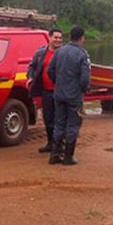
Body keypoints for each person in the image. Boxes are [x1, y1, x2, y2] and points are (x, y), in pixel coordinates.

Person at [47, 26, 91, 165]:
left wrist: (57, 82)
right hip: (74, 96)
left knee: (59, 123)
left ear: (69, 36)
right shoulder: (82, 54)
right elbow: (85, 79)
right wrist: (82, 90)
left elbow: (50, 70)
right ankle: (68, 157)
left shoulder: (59, 51)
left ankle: (54, 155)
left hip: (59, 94)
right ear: (82, 38)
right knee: (72, 125)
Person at [27, 27, 64, 153]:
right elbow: (32, 66)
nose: (58, 40)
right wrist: (30, 77)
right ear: (49, 38)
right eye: (55, 37)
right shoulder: (41, 52)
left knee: (60, 119)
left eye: (60, 38)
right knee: (48, 118)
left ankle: (60, 145)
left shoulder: (64, 53)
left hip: (61, 92)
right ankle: (50, 143)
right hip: (46, 91)